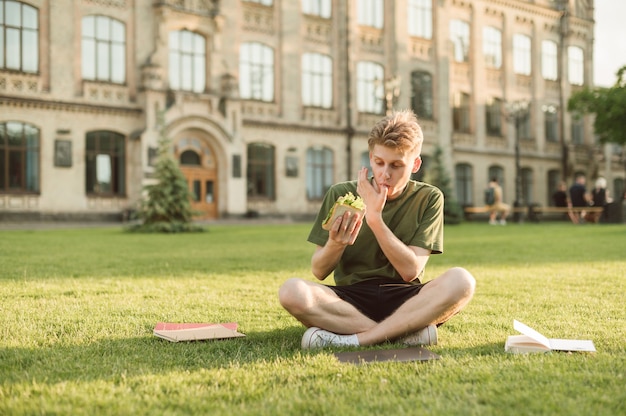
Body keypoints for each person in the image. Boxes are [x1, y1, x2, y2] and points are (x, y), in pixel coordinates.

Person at [278, 110, 476, 349]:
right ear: (370, 158)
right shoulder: (341, 194)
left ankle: (356, 340)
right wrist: (336, 243)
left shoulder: (429, 197)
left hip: (406, 298)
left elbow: (409, 270)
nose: (385, 174)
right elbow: (319, 271)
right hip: (349, 299)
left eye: (396, 165)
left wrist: (374, 219)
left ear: (415, 164)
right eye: (379, 163)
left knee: (462, 281)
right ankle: (403, 333)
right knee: (291, 291)